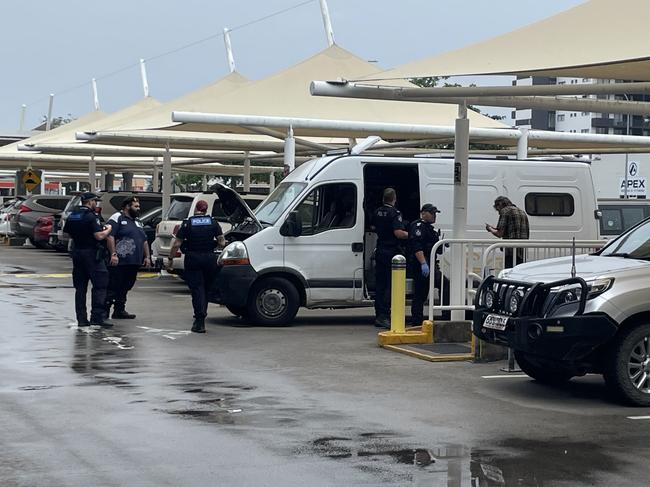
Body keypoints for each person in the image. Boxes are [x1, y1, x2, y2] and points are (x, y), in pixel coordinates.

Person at [167, 200, 225, 333]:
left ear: (196, 209)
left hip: (193, 258)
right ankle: (202, 315)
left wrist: (170, 258)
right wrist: (213, 245)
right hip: (210, 259)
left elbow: (176, 244)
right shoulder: (213, 222)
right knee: (205, 289)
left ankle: (199, 321)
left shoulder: (188, 223)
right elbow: (222, 242)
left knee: (197, 289)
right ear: (206, 210)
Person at [63, 192, 113, 327]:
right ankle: (97, 317)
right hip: (92, 254)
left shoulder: (73, 215)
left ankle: (82, 319)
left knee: (80, 288)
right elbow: (99, 236)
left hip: (77, 252)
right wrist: (108, 229)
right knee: (100, 285)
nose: (96, 204)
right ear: (90, 202)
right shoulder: (91, 216)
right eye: (95, 202)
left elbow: (66, 232)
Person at [105, 197, 151, 319]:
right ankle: (104, 313)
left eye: (138, 206)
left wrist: (147, 257)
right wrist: (113, 254)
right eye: (135, 206)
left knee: (126, 286)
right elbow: (110, 237)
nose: (138, 208)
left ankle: (119, 310)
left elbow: (144, 240)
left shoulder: (137, 221)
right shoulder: (117, 218)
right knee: (113, 286)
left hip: (134, 262)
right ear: (127, 207)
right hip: (120, 261)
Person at [407, 204, 451, 325]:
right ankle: (445, 316)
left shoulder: (429, 229)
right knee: (442, 284)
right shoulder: (418, 226)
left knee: (421, 292)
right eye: (432, 213)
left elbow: (435, 248)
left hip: (429, 263)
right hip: (422, 263)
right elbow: (417, 246)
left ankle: (417, 320)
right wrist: (423, 263)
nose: (435, 216)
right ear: (424, 213)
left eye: (435, 213)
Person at [371, 188, 408, 328]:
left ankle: (379, 314)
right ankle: (385, 316)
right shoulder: (395, 213)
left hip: (380, 250)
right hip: (391, 252)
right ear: (394, 198)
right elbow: (398, 233)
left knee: (380, 285)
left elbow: (373, 227)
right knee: (389, 286)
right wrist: (409, 234)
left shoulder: (376, 211)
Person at [486, 196, 530, 268]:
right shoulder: (522, 212)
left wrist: (490, 229)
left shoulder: (505, 211)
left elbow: (499, 234)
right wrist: (495, 228)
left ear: (500, 205)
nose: (498, 212)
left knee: (509, 273)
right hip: (522, 250)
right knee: (518, 274)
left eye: (497, 209)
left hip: (510, 250)